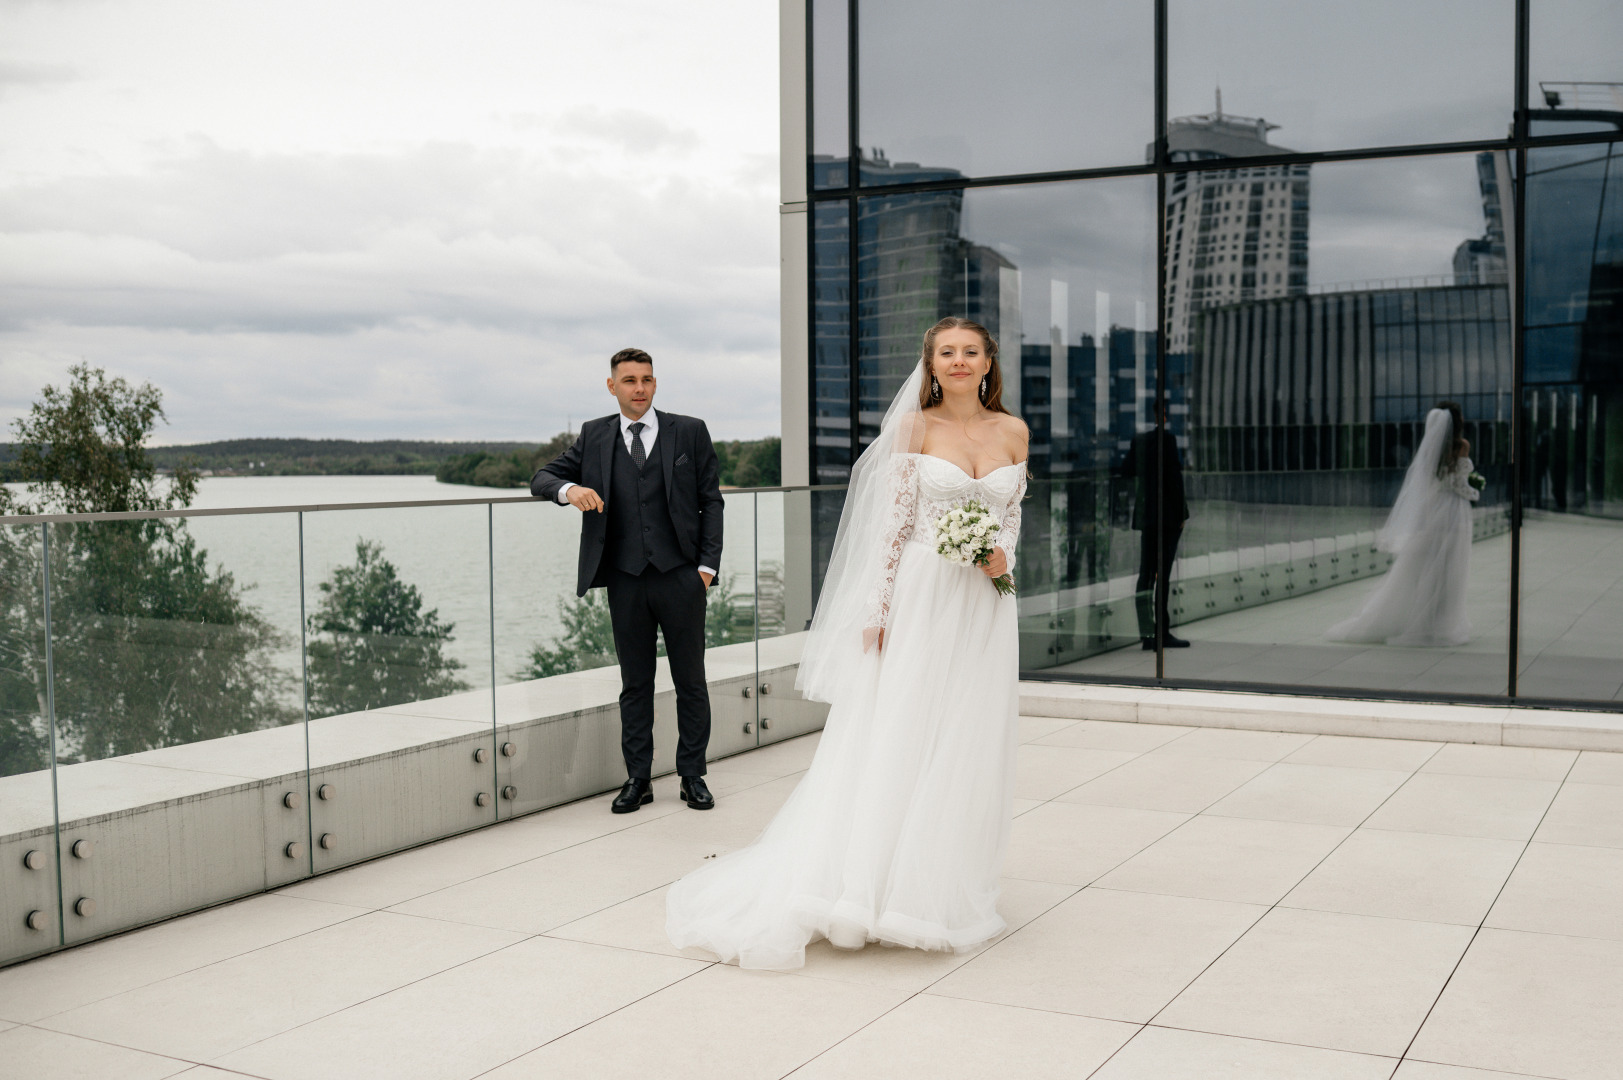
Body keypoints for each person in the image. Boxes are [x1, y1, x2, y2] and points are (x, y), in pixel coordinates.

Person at [666, 316, 1028, 970]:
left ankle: (938, 885)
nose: (957, 362)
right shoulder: (916, 429)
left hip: (983, 604)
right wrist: (875, 610)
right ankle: (866, 886)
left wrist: (1004, 556)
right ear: (931, 362)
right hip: (921, 594)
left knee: (964, 737)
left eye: (969, 352)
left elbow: (1011, 517)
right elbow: (890, 529)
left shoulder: (1013, 432)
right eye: (946, 352)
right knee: (898, 732)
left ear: (987, 361)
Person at [531, 348, 724, 814]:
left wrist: (706, 569)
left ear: (655, 384)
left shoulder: (690, 431)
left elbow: (711, 501)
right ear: (612, 386)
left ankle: (692, 775)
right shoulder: (594, 435)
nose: (640, 388)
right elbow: (542, 477)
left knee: (691, 681)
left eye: (648, 380)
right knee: (635, 684)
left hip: (681, 577)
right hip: (625, 578)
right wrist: (568, 490)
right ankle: (638, 778)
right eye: (631, 380)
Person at [1328, 401, 1480, 647]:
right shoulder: (1461, 446)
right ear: (1456, 421)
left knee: (1426, 564)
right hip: (1452, 510)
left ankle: (1416, 618)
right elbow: (1457, 484)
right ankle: (1440, 621)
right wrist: (1475, 491)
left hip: (1434, 508)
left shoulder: (1431, 450)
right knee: (1450, 566)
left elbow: (1435, 480)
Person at [1120, 401, 1190, 649]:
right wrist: (1182, 514)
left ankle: (1147, 634)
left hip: (1147, 517)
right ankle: (1162, 632)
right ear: (1165, 414)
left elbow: (1127, 470)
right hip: (1168, 517)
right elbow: (1175, 479)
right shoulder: (1168, 440)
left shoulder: (1139, 441)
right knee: (1163, 576)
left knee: (1146, 576)